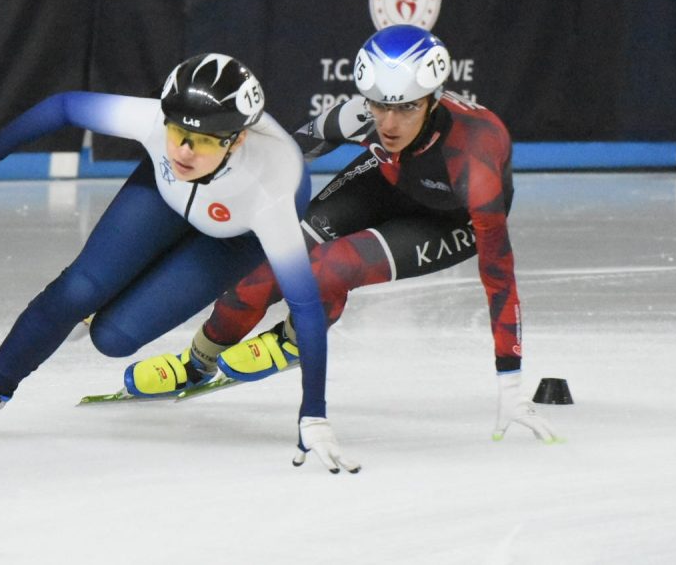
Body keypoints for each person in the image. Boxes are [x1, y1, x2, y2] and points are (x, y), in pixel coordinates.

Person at [0, 53, 359, 473]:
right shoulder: (158, 127)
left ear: (238, 139)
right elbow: (64, 106)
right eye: (177, 132)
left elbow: (304, 306)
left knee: (113, 338)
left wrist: (314, 414)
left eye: (203, 141)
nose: (184, 151)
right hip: (165, 194)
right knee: (78, 289)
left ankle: (94, 313)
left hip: (234, 234)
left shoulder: (270, 193)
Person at [125, 25, 556, 446]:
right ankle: (197, 361)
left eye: (406, 108)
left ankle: (292, 341)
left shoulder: (475, 157)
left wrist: (510, 378)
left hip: (447, 220)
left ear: (433, 99)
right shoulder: (358, 116)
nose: (388, 122)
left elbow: (499, 276)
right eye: (379, 106)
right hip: (385, 181)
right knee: (267, 260)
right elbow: (283, 156)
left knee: (329, 266)